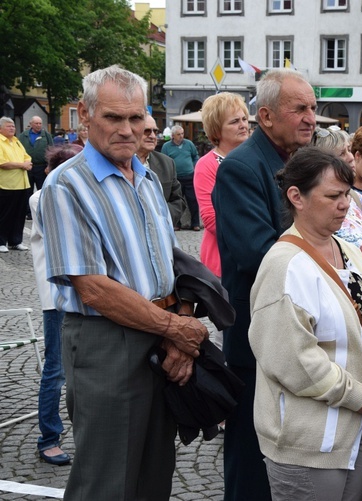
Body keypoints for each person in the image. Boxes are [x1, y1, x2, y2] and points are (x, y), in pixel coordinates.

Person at [37, 65, 209, 501]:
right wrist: (175, 331)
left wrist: (178, 328)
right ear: (85, 115)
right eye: (114, 118)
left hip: (161, 333)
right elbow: (92, 287)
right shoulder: (67, 185)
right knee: (106, 482)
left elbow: (173, 264)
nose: (129, 129)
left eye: (137, 118)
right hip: (106, 340)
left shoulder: (147, 177)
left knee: (155, 474)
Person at [249, 147, 362, 500]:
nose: (345, 204)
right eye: (333, 195)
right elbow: (295, 361)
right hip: (308, 443)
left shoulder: (348, 252)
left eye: (348, 194)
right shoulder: (283, 266)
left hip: (359, 431)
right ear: (296, 197)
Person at [213, 68, 316, 501]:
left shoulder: (300, 163)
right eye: (301, 108)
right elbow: (259, 252)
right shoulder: (241, 168)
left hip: (298, 330)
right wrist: (334, 265)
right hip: (258, 337)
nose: (312, 117)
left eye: (314, 107)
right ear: (268, 116)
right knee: (252, 461)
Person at [30, 143, 82, 466]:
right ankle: (48, 437)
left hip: (74, 290)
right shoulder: (43, 196)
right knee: (56, 368)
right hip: (56, 295)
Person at [313, 126, 362, 281]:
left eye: (349, 150)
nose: (351, 158)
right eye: (343, 153)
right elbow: (323, 268)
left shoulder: (355, 199)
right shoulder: (317, 208)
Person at [194, 92, 249, 279]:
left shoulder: (255, 158)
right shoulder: (207, 164)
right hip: (222, 262)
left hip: (256, 258)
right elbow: (210, 219)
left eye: (244, 119)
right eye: (234, 121)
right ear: (217, 130)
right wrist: (254, 231)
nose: (243, 125)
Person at [136, 115, 187, 231]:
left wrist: (161, 218)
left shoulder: (167, 163)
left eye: (155, 131)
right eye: (147, 131)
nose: (153, 136)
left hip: (161, 231)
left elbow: (178, 201)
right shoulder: (121, 162)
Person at [0, 116, 32, 253]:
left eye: (13, 126)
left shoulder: (16, 141)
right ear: (1, 128)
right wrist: (22, 165)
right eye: (9, 126)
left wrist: (27, 163)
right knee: (5, 214)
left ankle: (16, 241)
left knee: (19, 214)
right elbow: (2, 163)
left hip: (22, 183)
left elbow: (27, 157)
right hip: (7, 184)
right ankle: (1, 241)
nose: (12, 128)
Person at [161, 124, 200, 231]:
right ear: (173, 135)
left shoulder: (189, 144)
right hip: (176, 178)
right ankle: (176, 224)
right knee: (176, 201)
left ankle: (195, 223)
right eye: (179, 134)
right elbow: (164, 161)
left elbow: (195, 156)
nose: (181, 136)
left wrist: (195, 166)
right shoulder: (166, 146)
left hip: (189, 176)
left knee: (193, 200)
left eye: (182, 133)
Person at [19, 115, 54, 195]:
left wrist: (49, 166)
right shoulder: (23, 135)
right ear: (31, 124)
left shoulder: (46, 135)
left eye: (40, 123)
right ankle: (28, 207)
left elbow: (51, 151)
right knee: (27, 191)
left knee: (42, 191)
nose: (38, 125)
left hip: (41, 167)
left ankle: (41, 206)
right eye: (36, 123)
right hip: (27, 168)